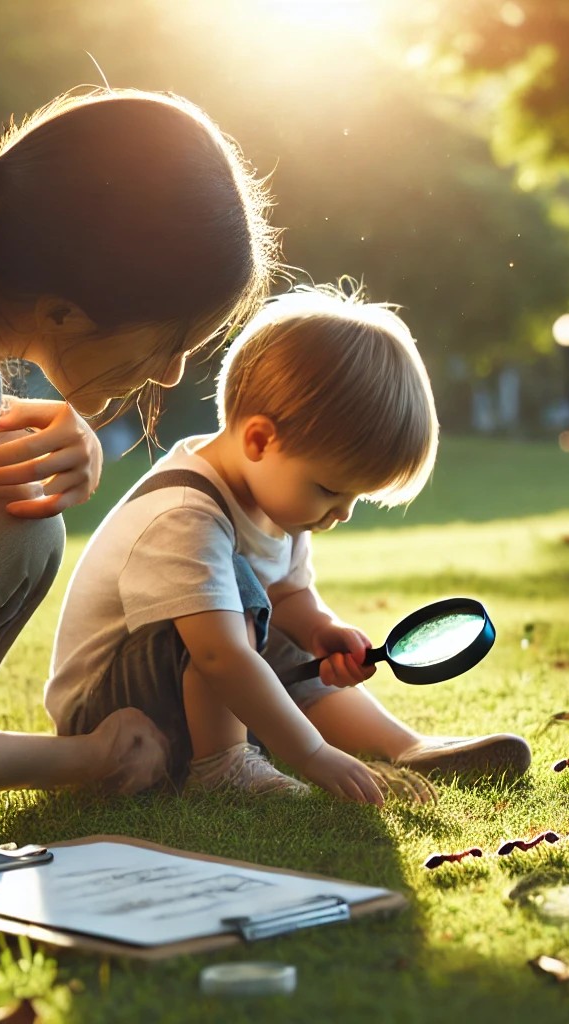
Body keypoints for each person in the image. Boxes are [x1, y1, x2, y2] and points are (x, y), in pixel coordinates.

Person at [0, 87, 277, 829]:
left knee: (24, 519)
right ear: (62, 312)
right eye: (170, 343)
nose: (170, 376)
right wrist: (89, 757)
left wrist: (12, 423)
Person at [45, 287, 532, 805]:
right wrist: (312, 754)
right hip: (113, 716)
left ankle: (403, 746)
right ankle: (223, 766)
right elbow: (217, 654)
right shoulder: (185, 514)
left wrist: (320, 629)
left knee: (277, 631)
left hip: (190, 692)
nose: (342, 513)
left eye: (355, 498)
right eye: (329, 490)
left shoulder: (280, 507)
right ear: (259, 440)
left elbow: (287, 593)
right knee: (232, 600)